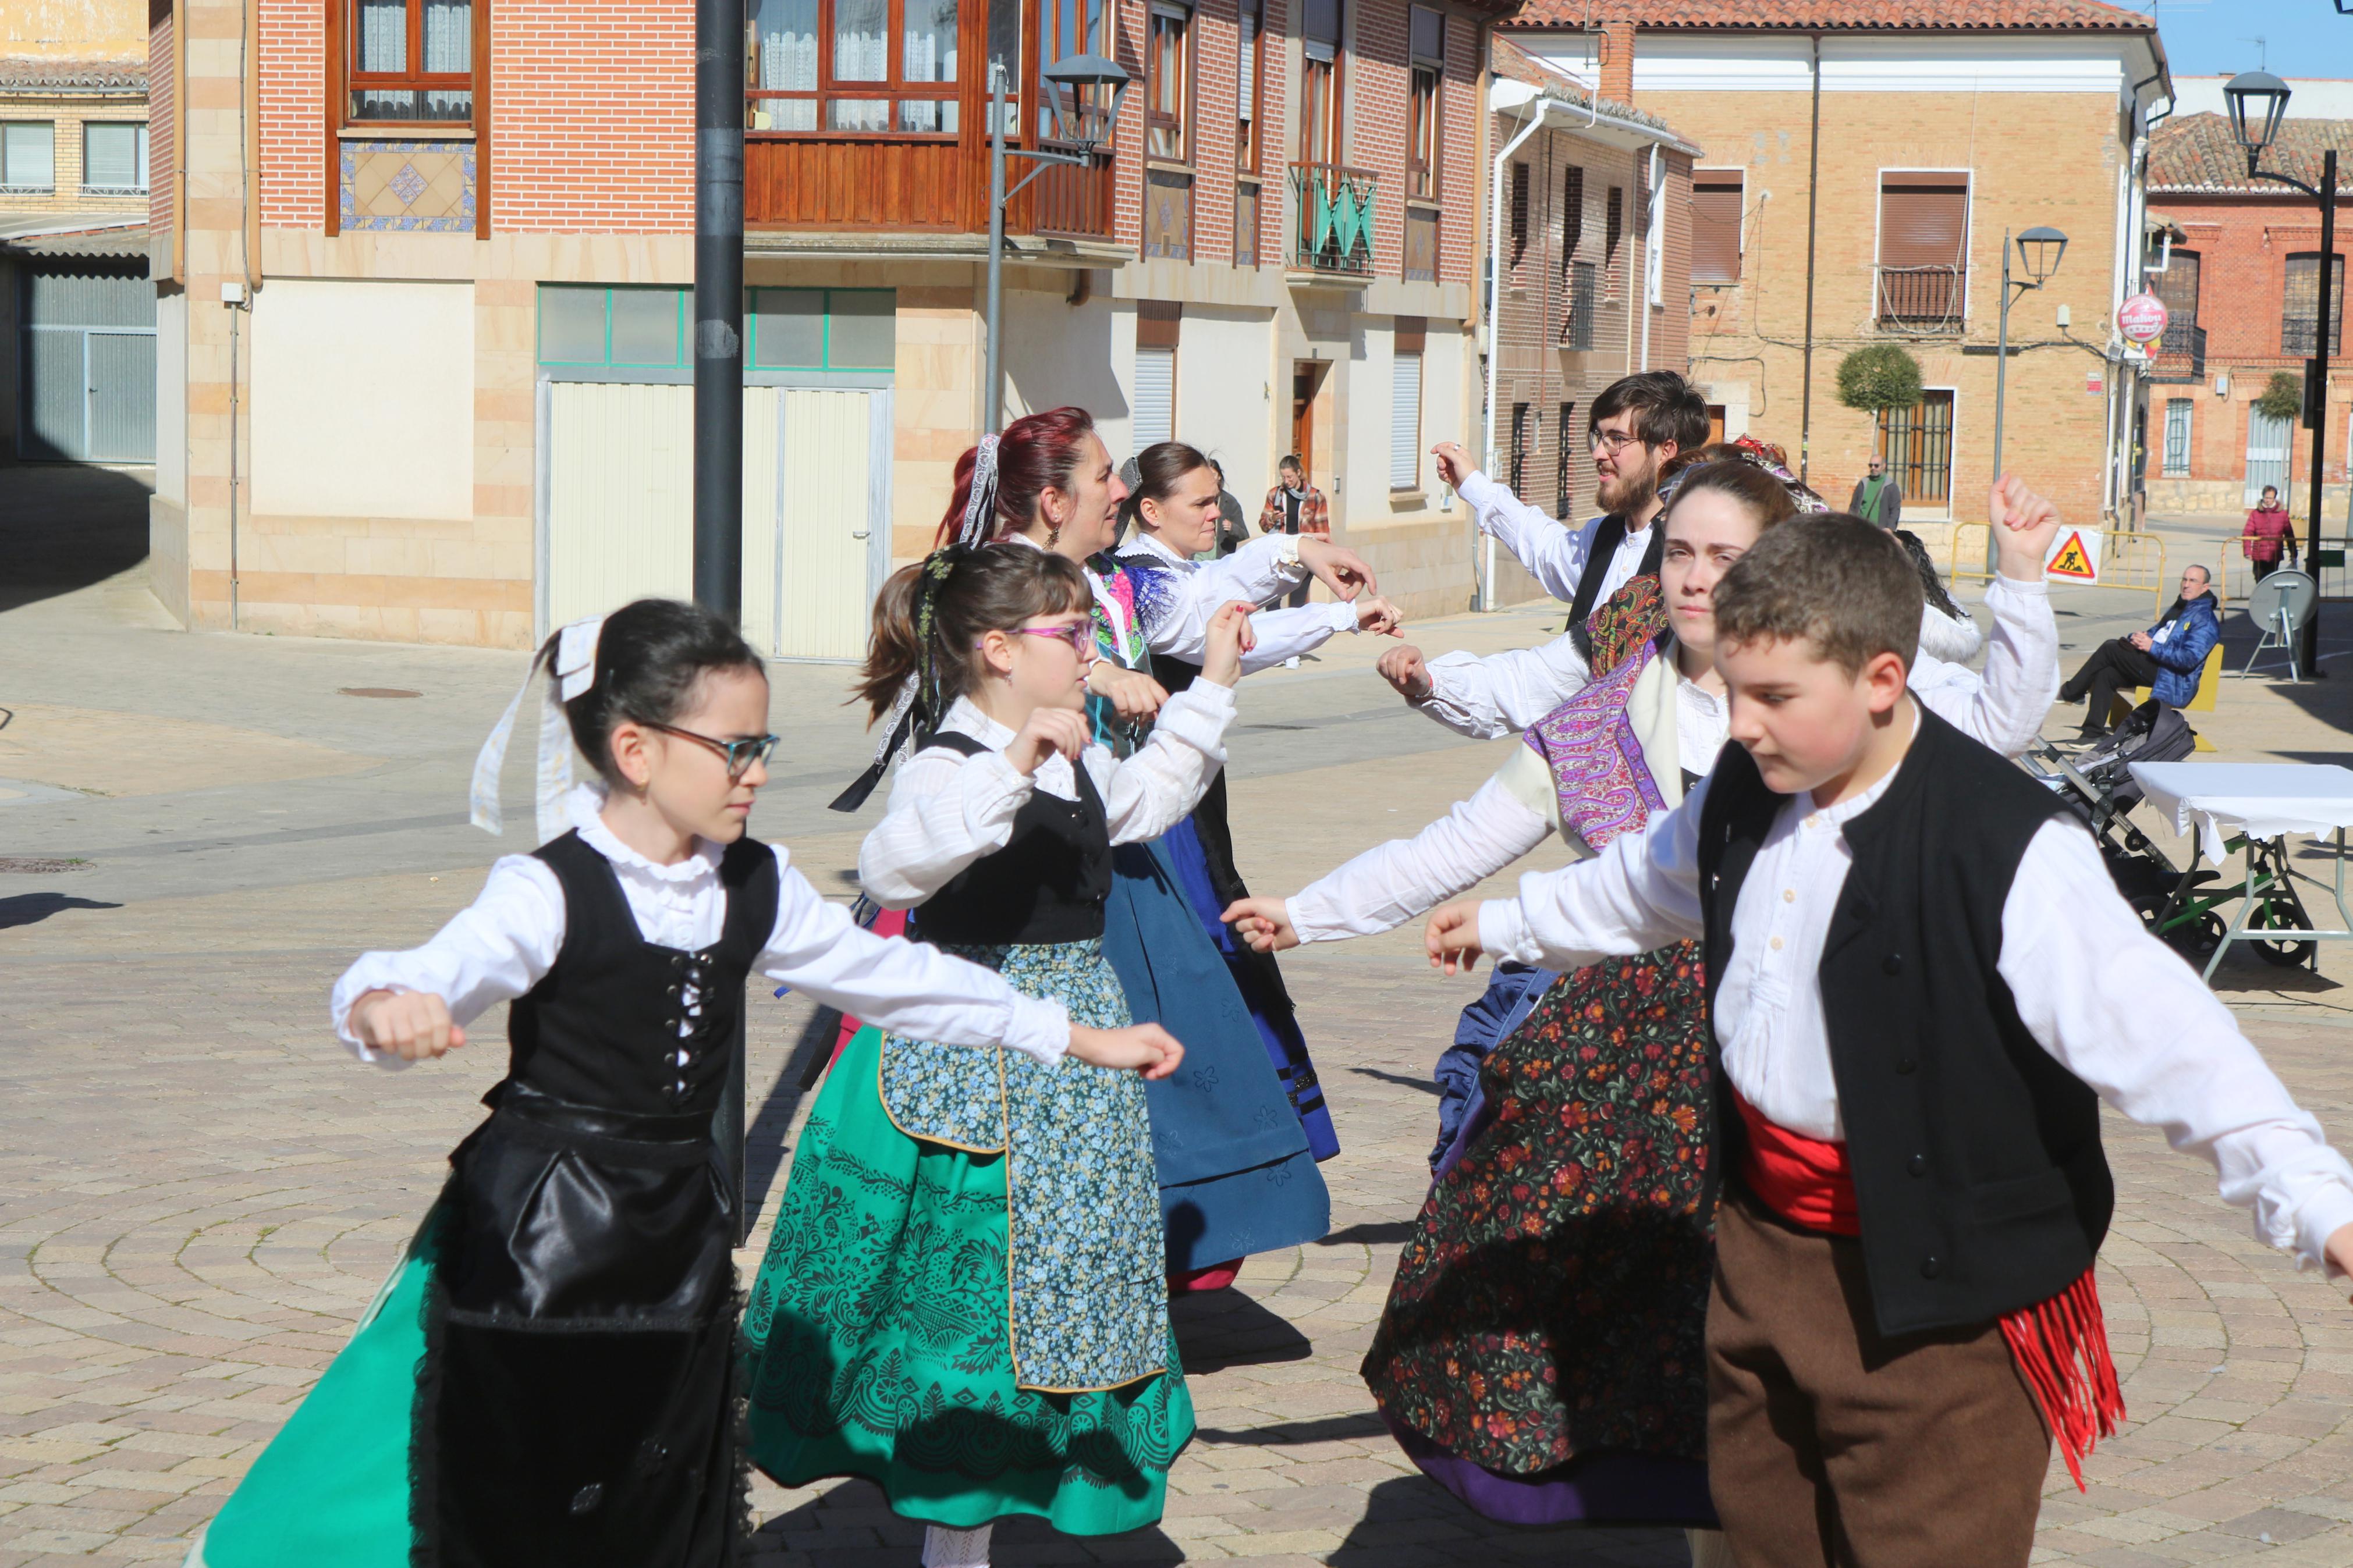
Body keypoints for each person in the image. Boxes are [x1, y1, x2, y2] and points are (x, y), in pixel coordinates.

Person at [1422, 515, 2353, 1568]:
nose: (1738, 724)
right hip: (1761, 1269)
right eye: (1730, 690)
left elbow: (2174, 1042)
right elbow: (1643, 886)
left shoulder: (2008, 846)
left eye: (1772, 697)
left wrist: (2317, 1205)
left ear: (1877, 679)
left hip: (1947, 1318)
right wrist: (1508, 922)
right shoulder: (1744, 787)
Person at [186, 598, 1183, 1568]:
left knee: (662, 1476)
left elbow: (897, 980)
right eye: (732, 749)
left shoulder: (756, 883)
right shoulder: (551, 889)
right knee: (484, 1469)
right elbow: (434, 969)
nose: (754, 772)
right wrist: (388, 1008)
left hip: (675, 1230)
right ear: (637, 752)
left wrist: (1074, 1037)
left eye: (762, 746)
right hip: (537, 1231)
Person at [1222, 470, 2064, 1562]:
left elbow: (2000, 717)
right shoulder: (1596, 718)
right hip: (1634, 1069)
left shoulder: (1848, 693)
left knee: (1806, 1321)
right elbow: (1461, 842)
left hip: (1813, 1049)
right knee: (1635, 1307)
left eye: (1723, 558)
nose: (1695, 579)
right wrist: (1308, 911)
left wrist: (2020, 579)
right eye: (1677, 554)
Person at [744, 548, 1250, 1565]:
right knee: (964, 1313)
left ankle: (999, 1514)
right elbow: (897, 864)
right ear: (998, 651)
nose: (1090, 652)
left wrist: (1217, 690)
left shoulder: (1071, 748)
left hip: (1075, 1055)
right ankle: (952, 1549)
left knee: (1059, 1294)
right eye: (1071, 635)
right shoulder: (950, 757)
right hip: (971, 1055)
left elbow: (1145, 802)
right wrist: (1009, 767)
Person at [858, 408, 1372, 1293]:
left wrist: (1264, 608)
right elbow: (902, 849)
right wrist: (1078, 695)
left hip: (1092, 862)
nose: (1122, 492)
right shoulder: (994, 621)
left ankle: (1122, 1291)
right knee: (980, 1191)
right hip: (1002, 910)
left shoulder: (1098, 594)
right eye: (1106, 477)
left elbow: (1150, 774)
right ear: (1053, 501)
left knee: (1123, 1117)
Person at [1114, 440, 1403, 1178]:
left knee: (1216, 916)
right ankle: (1219, 1130)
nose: (1216, 514)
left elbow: (1221, 594)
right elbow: (1211, 627)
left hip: (1189, 783)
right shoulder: (1137, 581)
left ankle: (1244, 1130)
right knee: (1198, 941)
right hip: (1158, 797)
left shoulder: (1173, 572)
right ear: (1150, 511)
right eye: (1201, 504)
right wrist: (1319, 592)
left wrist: (1303, 553)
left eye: (1217, 500)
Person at [2057, 564, 2220, 738]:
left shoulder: (2205, 620)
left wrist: (2152, 647)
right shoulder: (2181, 607)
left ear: (2205, 588)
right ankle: (2092, 733)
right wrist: (2138, 638)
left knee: (2110, 648)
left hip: (2173, 678)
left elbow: (2188, 659)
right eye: (2184, 579)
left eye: (2193, 581)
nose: (2186, 585)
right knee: (2107, 673)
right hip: (2154, 664)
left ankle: (2071, 693)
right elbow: (2157, 632)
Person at [1258, 453, 1329, 610]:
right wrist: (1272, 518)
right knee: (1272, 601)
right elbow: (1263, 525)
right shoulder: (1275, 494)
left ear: (1298, 473)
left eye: (1290, 477)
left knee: (1297, 603)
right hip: (1279, 553)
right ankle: (1274, 632)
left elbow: (1323, 531)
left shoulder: (1315, 497)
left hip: (1303, 553)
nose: (1287, 481)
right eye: (1283, 477)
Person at [2244, 485, 2298, 582]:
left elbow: (2289, 534)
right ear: (2263, 496)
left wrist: (2293, 553)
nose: (2268, 500)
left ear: (2275, 498)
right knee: (2259, 579)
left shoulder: (2282, 514)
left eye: (2270, 498)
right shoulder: (2255, 514)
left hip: (2275, 554)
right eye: (2266, 497)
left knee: (2271, 580)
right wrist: (2248, 551)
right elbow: (2248, 532)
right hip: (2259, 554)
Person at [1210, 457, 1252, 557]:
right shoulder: (1196, 500)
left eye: (1213, 475)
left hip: (1221, 558)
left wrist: (1232, 528)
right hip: (1198, 556)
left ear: (1219, 477)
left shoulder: (1230, 502)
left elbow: (1244, 535)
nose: (1210, 479)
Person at [1847, 454, 1902, 527]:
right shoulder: (1863, 483)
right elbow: (1853, 506)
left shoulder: (1891, 486)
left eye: (1876, 466)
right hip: (1860, 529)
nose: (1873, 468)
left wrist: (1890, 528)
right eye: (1871, 465)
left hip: (1879, 530)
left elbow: (1895, 510)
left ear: (1884, 466)